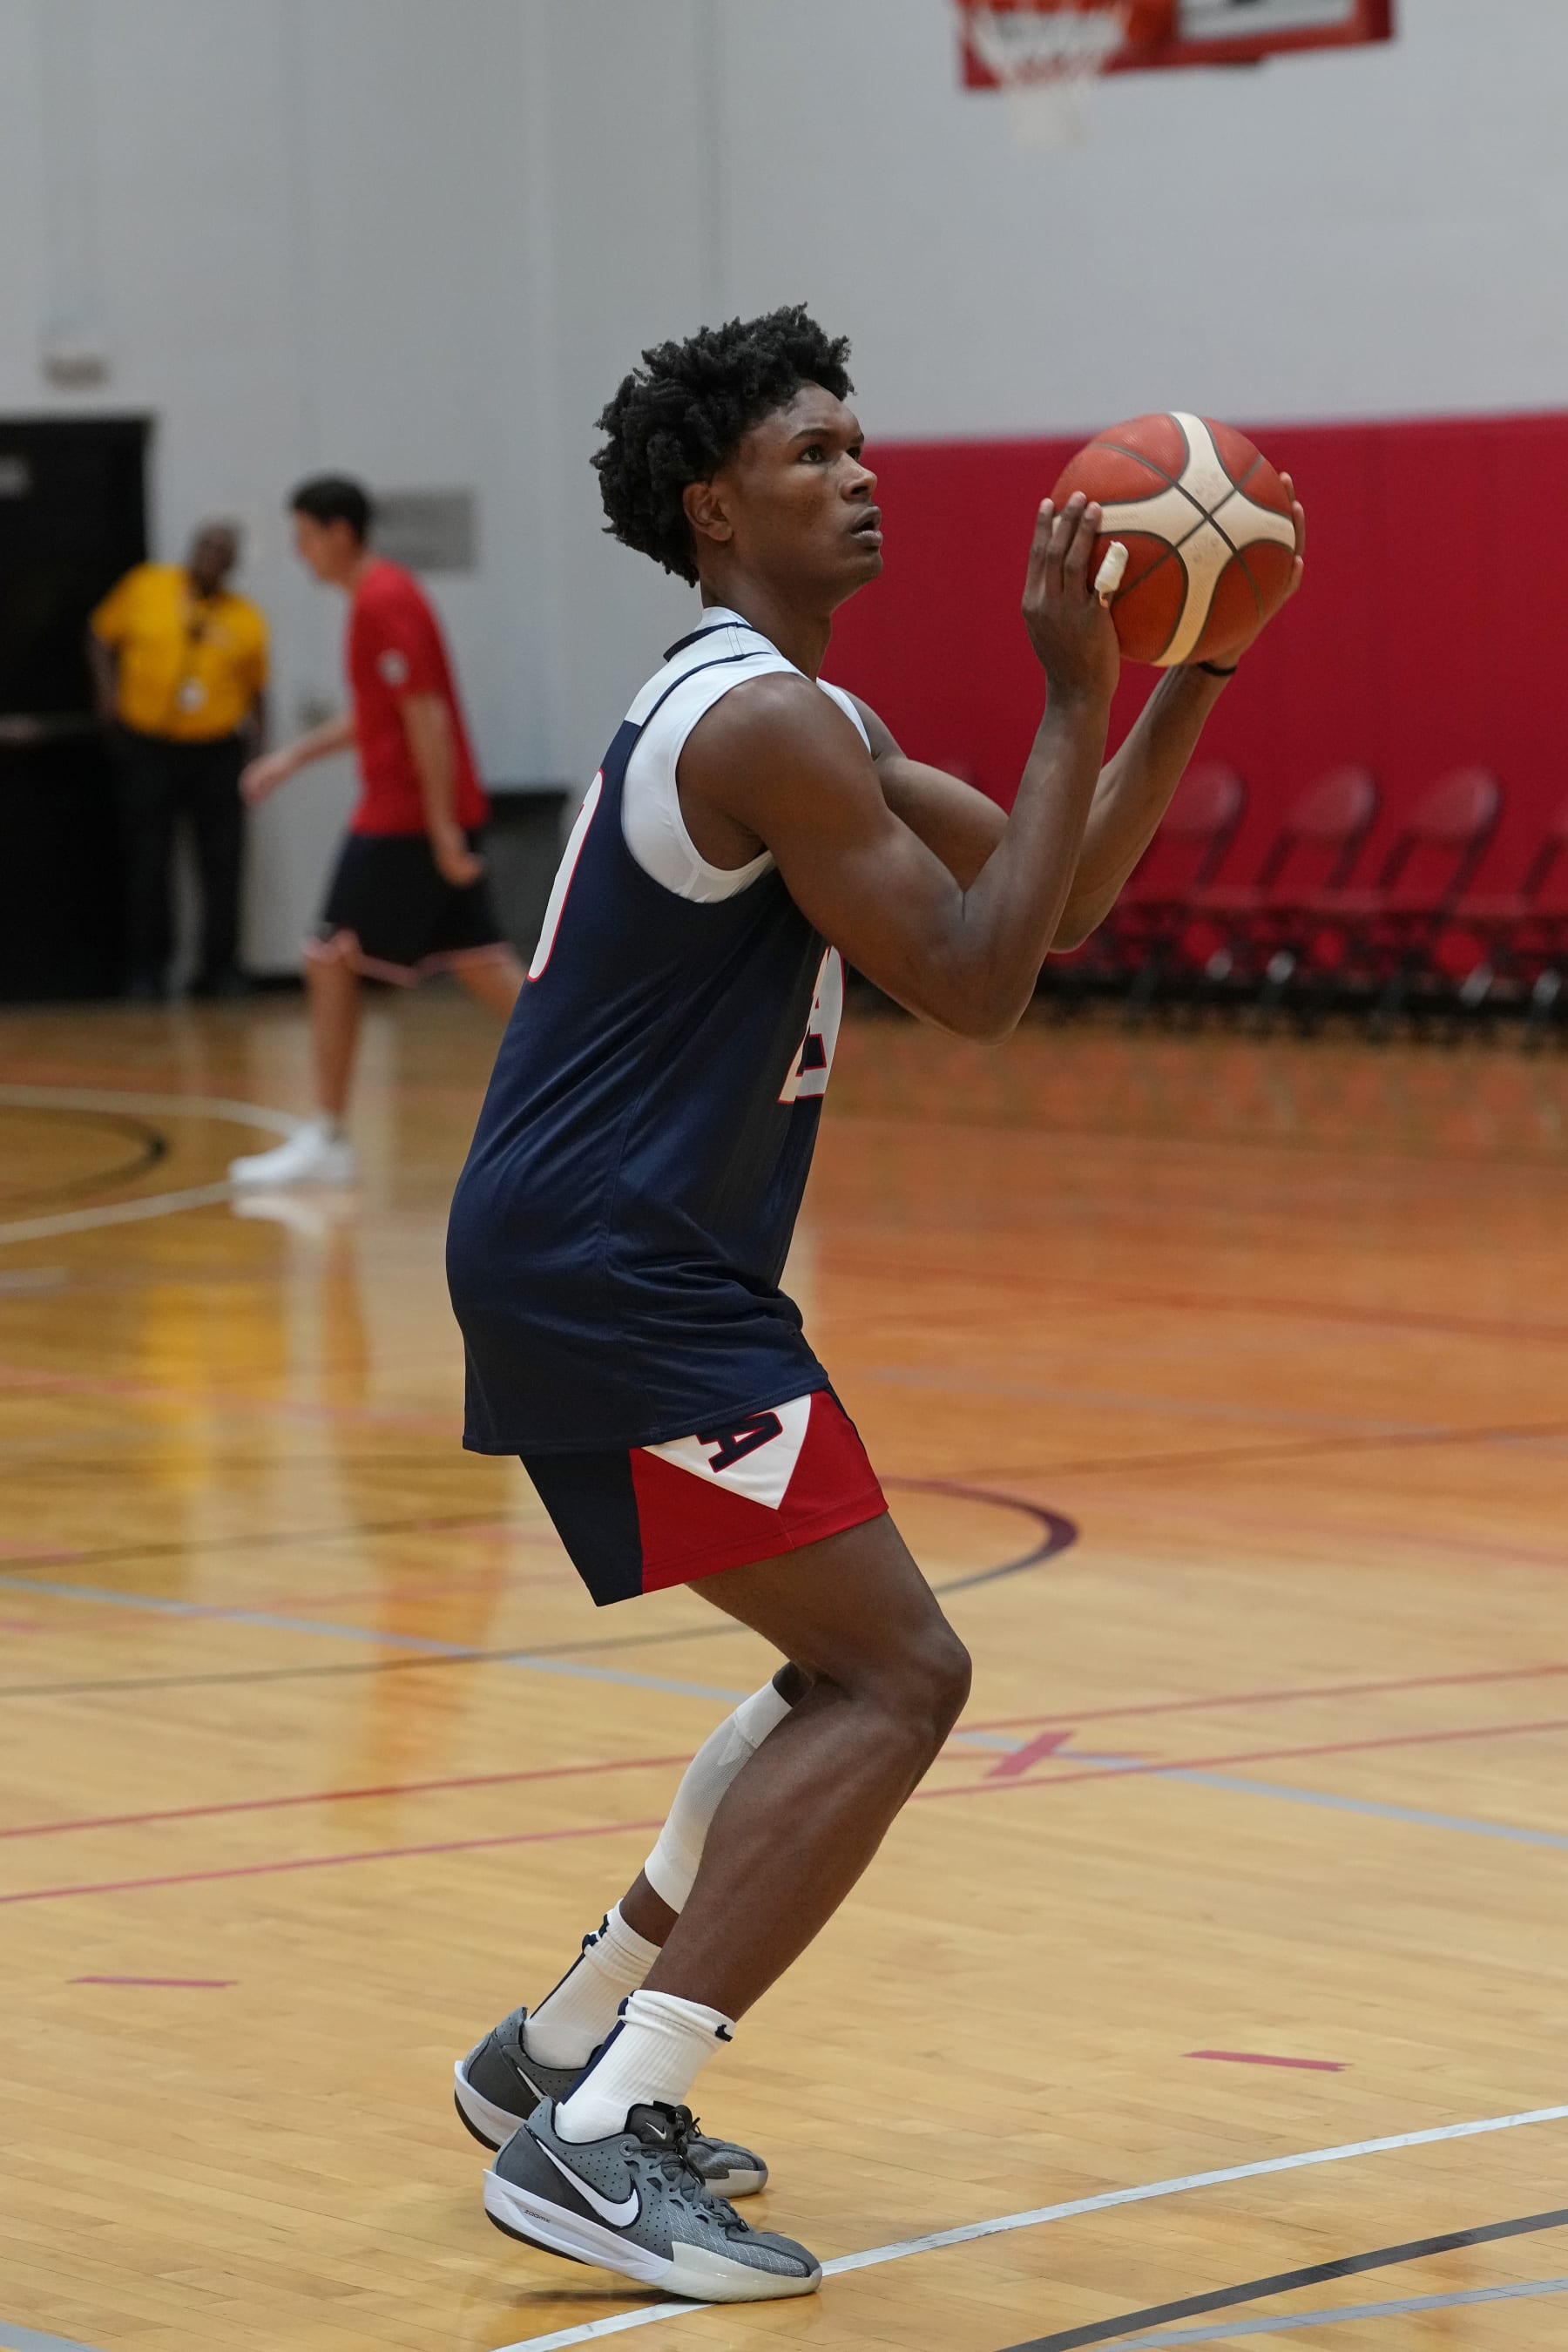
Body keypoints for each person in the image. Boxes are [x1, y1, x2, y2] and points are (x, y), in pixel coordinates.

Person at [445, 308, 1305, 2304]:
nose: (862, 468)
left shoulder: (788, 714)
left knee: (837, 1665)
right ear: (712, 501)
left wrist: (1186, 671)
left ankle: (561, 2048)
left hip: (631, 1257)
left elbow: (1054, 901)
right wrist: (1068, 688)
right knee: (900, 1673)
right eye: (814, 448)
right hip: (618, 1263)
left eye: (864, 440)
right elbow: (980, 988)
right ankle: (609, 2132)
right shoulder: (763, 723)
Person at [230, 476, 524, 1189]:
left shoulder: (383, 600)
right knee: (482, 963)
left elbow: (425, 718)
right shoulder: (378, 597)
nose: (301, 554)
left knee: (328, 956)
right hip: (420, 815)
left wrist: (442, 829)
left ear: (339, 532)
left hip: (403, 819)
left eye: (304, 536)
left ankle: (328, 1135)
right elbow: (381, 713)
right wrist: (291, 760)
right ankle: (616, 1089)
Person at [89, 520, 268, 1001]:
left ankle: (220, 970)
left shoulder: (245, 617)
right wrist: (107, 695)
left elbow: (257, 693)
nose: (212, 554)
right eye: (206, 544)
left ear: (233, 562)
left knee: (222, 865)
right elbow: (101, 636)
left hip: (216, 753)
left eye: (223, 549)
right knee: (149, 862)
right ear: (192, 548)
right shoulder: (146, 586)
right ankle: (147, 971)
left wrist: (259, 758)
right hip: (149, 747)